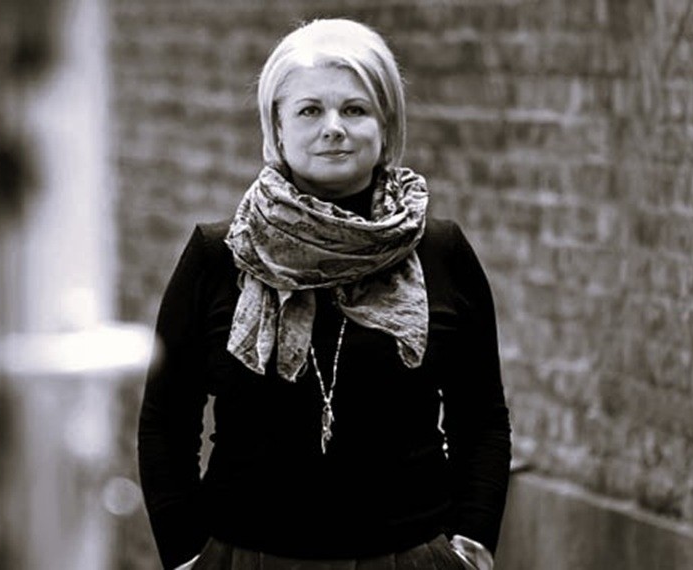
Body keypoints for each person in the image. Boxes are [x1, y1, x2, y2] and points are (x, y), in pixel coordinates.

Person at [137, 18, 511, 570]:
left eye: (354, 109)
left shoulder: (440, 251)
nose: (333, 128)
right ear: (277, 127)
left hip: (407, 556)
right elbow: (166, 423)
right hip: (250, 557)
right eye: (310, 110)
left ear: (386, 124)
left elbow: (481, 419)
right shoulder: (219, 256)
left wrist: (471, 545)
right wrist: (186, 554)